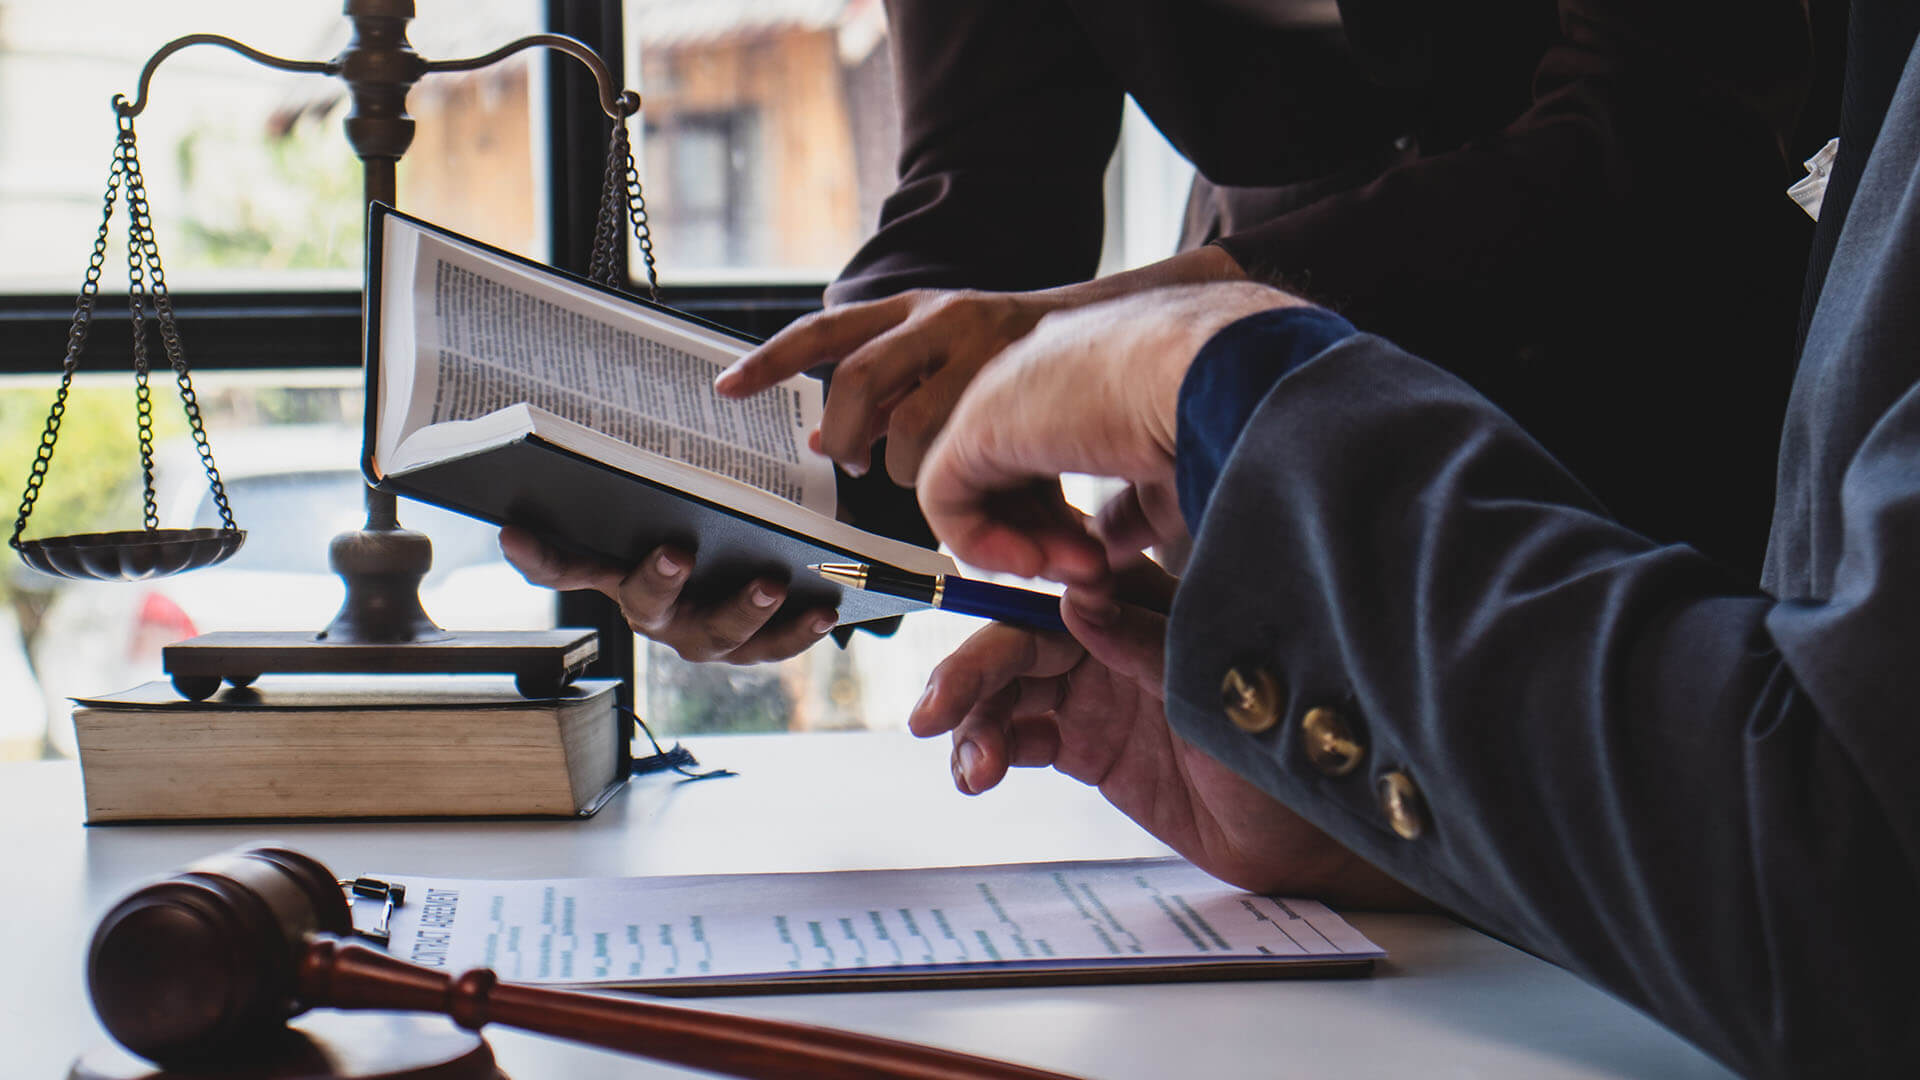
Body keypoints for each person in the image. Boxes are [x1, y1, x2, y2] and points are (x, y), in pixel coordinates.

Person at [901, 0, 1920, 1072]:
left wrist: (1213, 372)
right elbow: (1816, 832)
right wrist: (1386, 792)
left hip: (1628, 449)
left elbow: (1847, 890)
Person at [504, 0, 1823, 663]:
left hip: (1674, 474)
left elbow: (1663, 131)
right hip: (1271, 519)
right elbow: (984, 194)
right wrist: (788, 507)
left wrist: (1143, 325)